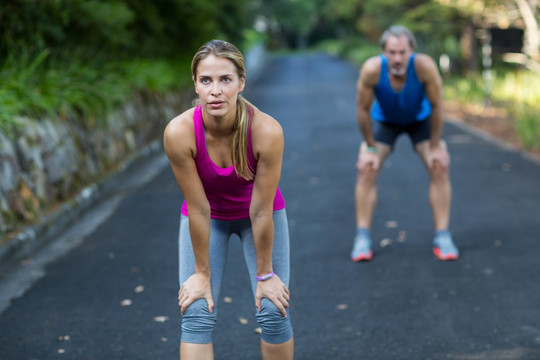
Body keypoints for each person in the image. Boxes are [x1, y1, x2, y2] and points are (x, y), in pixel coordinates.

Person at [163, 40, 294, 360]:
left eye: (225, 79)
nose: (215, 90)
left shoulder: (267, 131)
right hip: (207, 220)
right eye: (206, 80)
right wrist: (201, 274)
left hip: (260, 217)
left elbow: (261, 210)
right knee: (195, 311)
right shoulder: (179, 132)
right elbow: (198, 207)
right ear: (195, 83)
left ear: (241, 82)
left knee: (273, 311)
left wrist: (266, 276)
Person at [351, 25, 459, 262]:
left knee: (439, 165)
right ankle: (362, 237)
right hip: (385, 122)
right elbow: (362, 109)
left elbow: (438, 105)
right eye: (392, 52)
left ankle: (443, 236)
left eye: (402, 52)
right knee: (367, 167)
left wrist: (436, 144)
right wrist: (369, 147)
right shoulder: (372, 69)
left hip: (420, 121)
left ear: (412, 51)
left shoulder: (424, 66)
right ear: (383, 52)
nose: (397, 58)